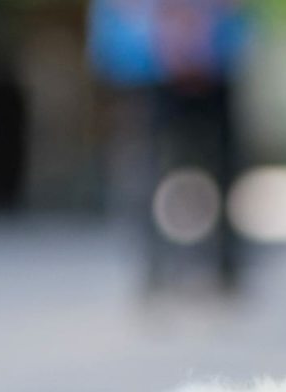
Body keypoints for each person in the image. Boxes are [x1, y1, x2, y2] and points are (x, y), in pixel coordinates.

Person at [91, 0, 251, 293]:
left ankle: (223, 263)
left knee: (222, 164)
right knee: (145, 163)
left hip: (213, 54)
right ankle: (155, 265)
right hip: (145, 58)